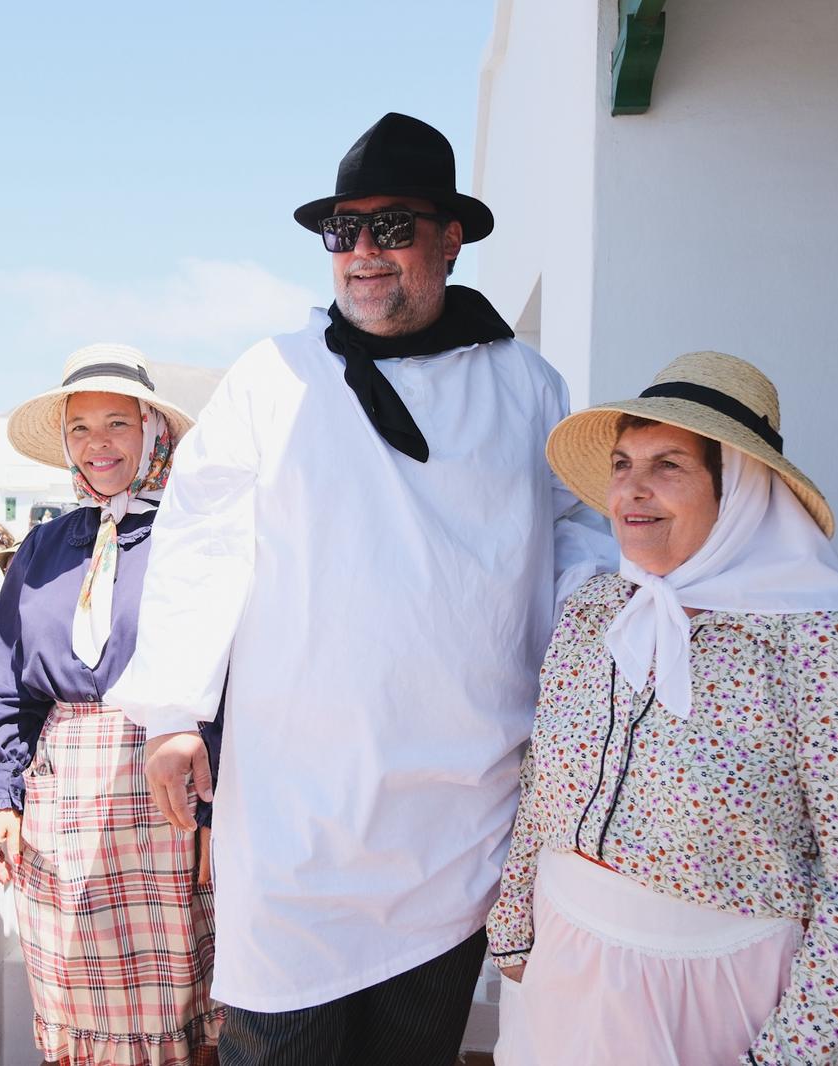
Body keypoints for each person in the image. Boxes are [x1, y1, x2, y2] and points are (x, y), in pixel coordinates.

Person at [107, 112, 614, 1065]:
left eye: (392, 229)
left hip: (459, 818)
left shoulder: (529, 387)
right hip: (299, 818)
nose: (362, 255)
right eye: (343, 232)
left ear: (451, 237)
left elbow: (576, 546)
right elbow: (202, 540)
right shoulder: (272, 378)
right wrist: (175, 713)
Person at [486, 352, 838, 1065]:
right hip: (559, 971)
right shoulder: (597, 608)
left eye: (669, 466)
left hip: (710, 996)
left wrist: (790, 1056)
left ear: (738, 488)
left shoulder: (817, 639)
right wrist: (514, 931)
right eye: (622, 464)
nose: (632, 491)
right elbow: (544, 786)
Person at [0, 344, 221, 1066]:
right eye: (80, 428)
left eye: (117, 423)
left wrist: (215, 809)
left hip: (168, 790)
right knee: (69, 1003)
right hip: (61, 803)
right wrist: (1, 798)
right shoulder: (44, 546)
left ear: (153, 432)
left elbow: (231, 678)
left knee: (185, 1005)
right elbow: (4, 679)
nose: (98, 444)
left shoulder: (193, 536)